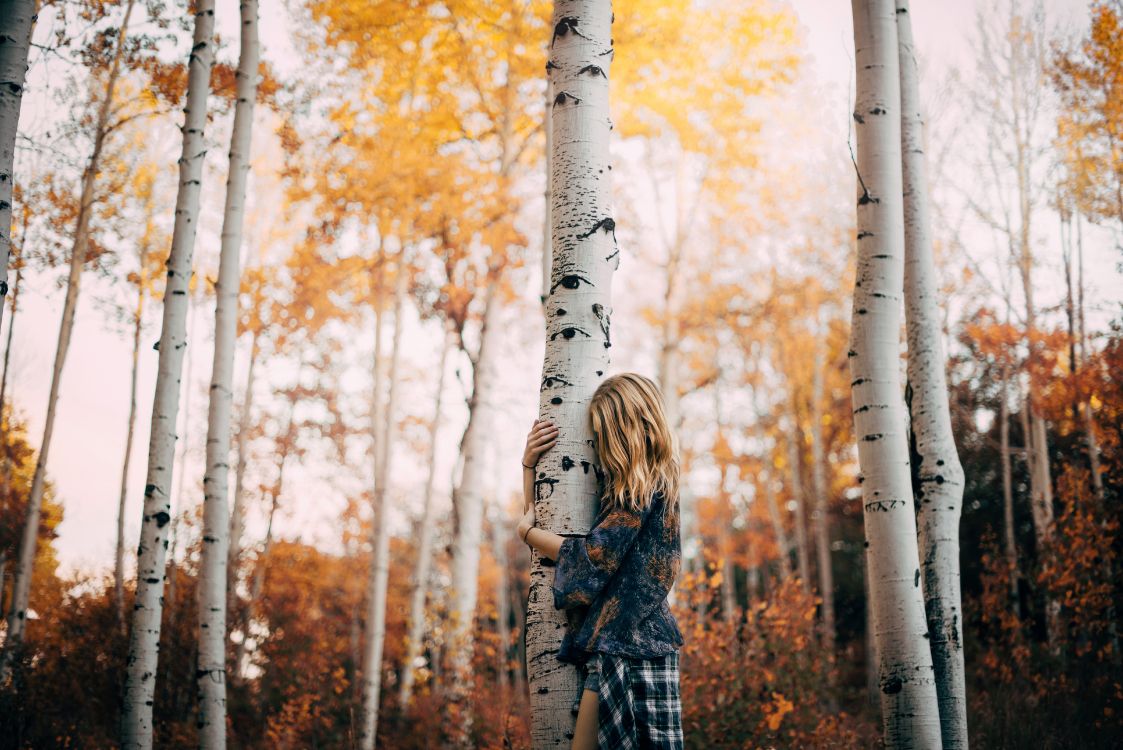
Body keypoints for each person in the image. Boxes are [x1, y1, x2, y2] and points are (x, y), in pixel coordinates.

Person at [517, 372, 685, 750]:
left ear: (625, 432)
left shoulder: (641, 490)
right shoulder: (638, 485)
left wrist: (526, 535)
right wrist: (529, 467)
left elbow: (593, 557)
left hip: (633, 648)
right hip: (625, 644)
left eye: (603, 436)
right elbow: (539, 518)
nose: (601, 447)